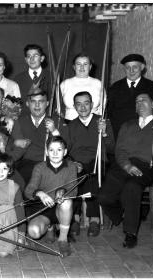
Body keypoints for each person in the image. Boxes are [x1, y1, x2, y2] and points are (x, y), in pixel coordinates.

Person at [98, 91, 153, 248]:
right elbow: (119, 150)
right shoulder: (128, 125)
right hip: (125, 164)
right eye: (137, 101)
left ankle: (130, 232)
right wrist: (127, 166)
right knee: (103, 196)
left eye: (143, 100)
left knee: (131, 188)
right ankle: (122, 215)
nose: (139, 103)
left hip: (149, 166)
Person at [61, 91, 115, 237]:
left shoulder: (103, 122)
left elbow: (112, 148)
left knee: (91, 175)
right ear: (74, 107)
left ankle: (94, 219)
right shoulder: (71, 126)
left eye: (86, 103)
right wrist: (72, 162)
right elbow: (65, 150)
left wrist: (104, 134)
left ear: (92, 105)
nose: (83, 107)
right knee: (73, 176)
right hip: (78, 161)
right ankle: (75, 218)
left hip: (99, 161)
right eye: (79, 104)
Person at [24, 136, 78, 257]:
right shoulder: (39, 167)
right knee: (34, 232)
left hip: (61, 209)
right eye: (51, 150)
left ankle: (63, 239)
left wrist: (63, 192)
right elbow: (28, 190)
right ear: (46, 152)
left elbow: (73, 190)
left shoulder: (71, 167)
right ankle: (50, 227)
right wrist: (40, 193)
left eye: (59, 150)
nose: (54, 153)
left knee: (67, 202)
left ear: (65, 152)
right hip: (43, 208)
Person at [16, 87, 60, 185]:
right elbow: (12, 146)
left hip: (48, 162)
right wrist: (16, 143)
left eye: (41, 101)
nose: (37, 105)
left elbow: (66, 145)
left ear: (47, 103)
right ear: (27, 103)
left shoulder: (56, 121)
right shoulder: (20, 121)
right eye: (33, 102)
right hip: (25, 164)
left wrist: (54, 130)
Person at [107, 54, 153, 139]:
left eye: (135, 67)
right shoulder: (115, 87)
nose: (131, 71)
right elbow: (108, 112)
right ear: (124, 69)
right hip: (120, 135)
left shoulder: (152, 87)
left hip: (144, 135)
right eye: (128, 67)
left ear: (142, 67)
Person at [60, 53, 105, 121]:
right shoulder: (65, 84)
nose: (82, 67)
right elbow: (58, 107)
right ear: (74, 67)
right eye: (78, 64)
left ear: (90, 67)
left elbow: (103, 107)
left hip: (93, 123)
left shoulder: (98, 83)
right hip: (70, 123)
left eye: (85, 64)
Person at [14, 44, 50, 111]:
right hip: (24, 118)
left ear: (42, 58)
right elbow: (16, 104)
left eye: (35, 56)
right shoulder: (18, 79)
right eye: (29, 56)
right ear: (26, 59)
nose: (32, 59)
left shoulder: (51, 76)